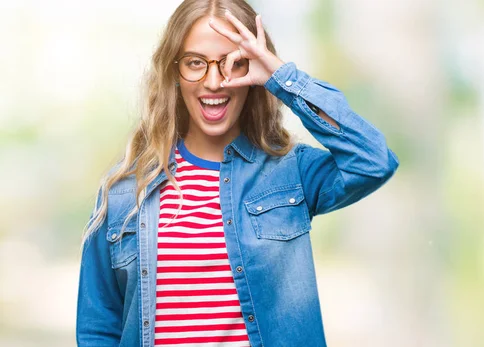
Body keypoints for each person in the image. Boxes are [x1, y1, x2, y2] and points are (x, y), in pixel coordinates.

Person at [76, 0, 399, 346]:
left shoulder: (289, 173)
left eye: (234, 63)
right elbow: (98, 329)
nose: (214, 82)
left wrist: (281, 77)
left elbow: (373, 159)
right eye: (195, 63)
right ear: (174, 72)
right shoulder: (125, 192)